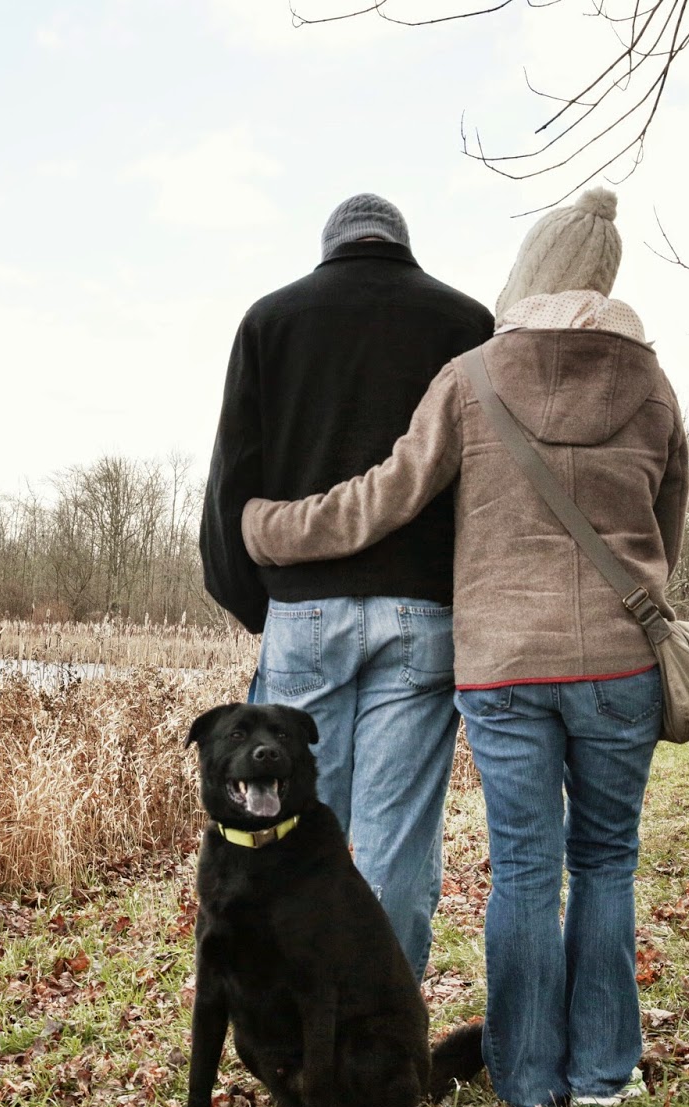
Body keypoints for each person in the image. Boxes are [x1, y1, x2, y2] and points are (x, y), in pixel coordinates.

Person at [240, 188, 688, 1107]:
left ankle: (526, 1080)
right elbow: (666, 522)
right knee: (606, 860)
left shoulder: (475, 375)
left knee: (524, 864)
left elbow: (389, 495)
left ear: (534, 265)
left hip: (504, 664)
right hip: (620, 661)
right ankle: (603, 1074)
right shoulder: (652, 385)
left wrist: (273, 529)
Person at [200, 193, 493, 983]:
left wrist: (259, 602)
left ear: (331, 246)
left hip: (305, 608)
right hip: (423, 611)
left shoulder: (270, 321)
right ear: (402, 244)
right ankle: (380, 1022)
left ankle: (289, 1022)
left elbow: (234, 476)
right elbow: (488, 485)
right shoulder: (466, 324)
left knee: (285, 827)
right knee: (397, 841)